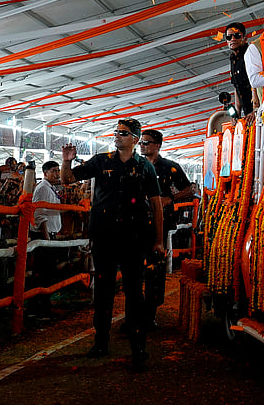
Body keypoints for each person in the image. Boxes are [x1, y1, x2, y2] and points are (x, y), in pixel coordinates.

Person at [61, 119, 164, 371]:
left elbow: (156, 204)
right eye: (116, 132)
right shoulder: (101, 161)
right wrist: (66, 161)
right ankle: (100, 342)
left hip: (134, 238)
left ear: (135, 139)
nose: (117, 136)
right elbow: (67, 179)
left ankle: (138, 347)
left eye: (124, 133)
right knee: (103, 290)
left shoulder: (145, 167)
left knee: (134, 292)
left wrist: (159, 240)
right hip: (104, 236)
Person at [138, 129, 194, 328]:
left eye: (147, 142)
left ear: (158, 145)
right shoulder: (135, 165)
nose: (142, 146)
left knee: (155, 269)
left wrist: (170, 199)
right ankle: (134, 313)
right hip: (136, 223)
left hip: (159, 225)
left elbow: (189, 189)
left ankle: (150, 313)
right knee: (134, 269)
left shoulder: (170, 167)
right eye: (141, 142)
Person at [28, 160, 63, 317]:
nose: (57, 174)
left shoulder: (49, 188)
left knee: (46, 272)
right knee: (42, 273)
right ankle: (37, 309)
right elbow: (39, 213)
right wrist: (46, 237)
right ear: (45, 173)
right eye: (54, 171)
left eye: (58, 170)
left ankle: (43, 307)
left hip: (49, 234)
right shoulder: (43, 188)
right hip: (44, 235)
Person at [224, 21, 254, 118]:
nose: (233, 39)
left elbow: (256, 83)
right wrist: (237, 113)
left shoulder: (251, 54)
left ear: (245, 38)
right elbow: (237, 87)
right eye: (229, 37)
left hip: (258, 110)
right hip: (247, 113)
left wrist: (256, 108)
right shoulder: (233, 59)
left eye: (237, 36)